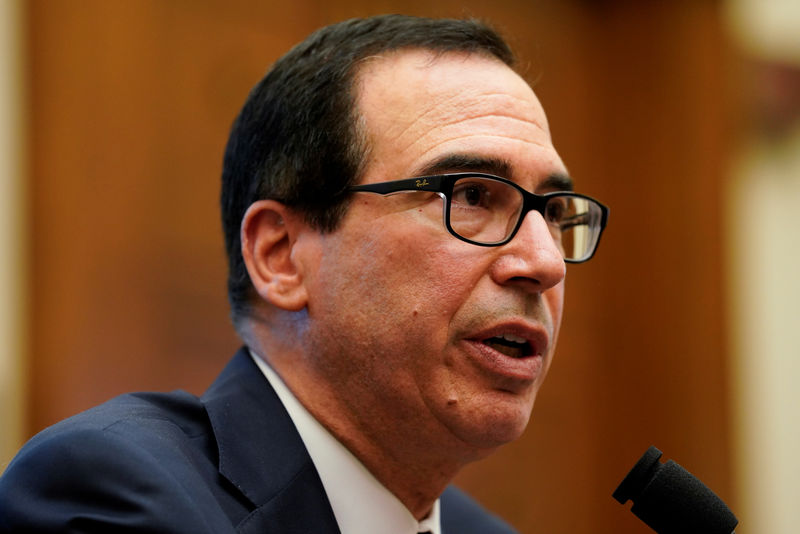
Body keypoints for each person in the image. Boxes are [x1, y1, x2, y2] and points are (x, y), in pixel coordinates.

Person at [0, 14, 608, 534]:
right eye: (471, 196)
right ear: (281, 256)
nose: (544, 263)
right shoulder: (118, 498)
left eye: (554, 214)